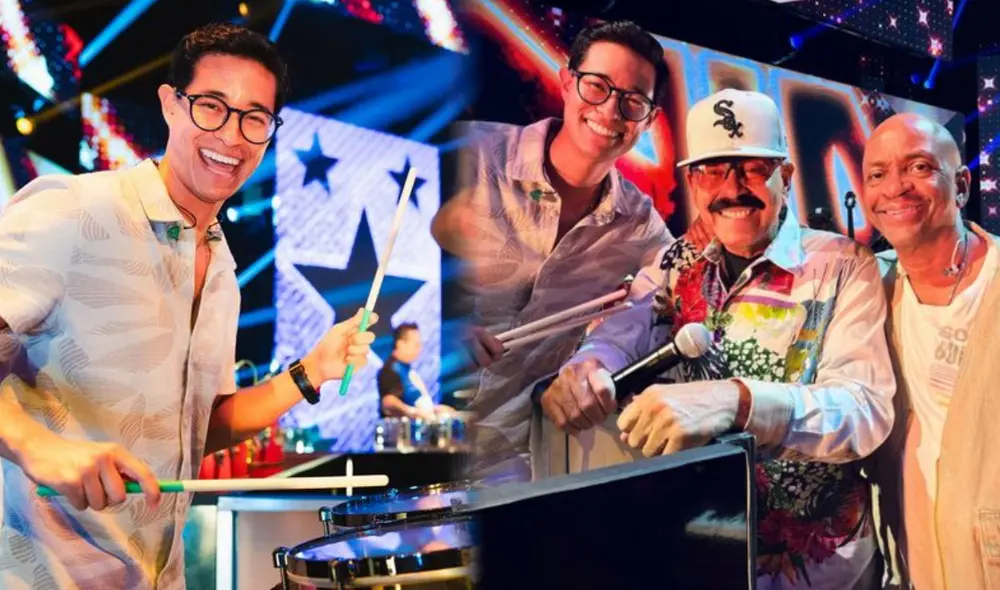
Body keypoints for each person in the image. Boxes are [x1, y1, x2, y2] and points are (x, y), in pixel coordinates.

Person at [0, 23, 376, 589]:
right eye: (211, 107)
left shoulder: (223, 269)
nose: (232, 135)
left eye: (255, 118)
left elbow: (201, 428)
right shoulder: (73, 212)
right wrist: (37, 446)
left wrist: (311, 371)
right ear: (171, 106)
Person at [545, 88, 896, 588]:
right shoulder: (672, 265)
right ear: (691, 181)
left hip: (822, 572)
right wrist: (587, 366)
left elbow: (865, 412)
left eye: (752, 167)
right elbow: (617, 337)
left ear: (786, 176)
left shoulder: (842, 266)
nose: (731, 188)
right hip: (703, 557)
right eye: (711, 171)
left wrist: (736, 400)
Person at [430, 20, 672, 480]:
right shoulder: (472, 153)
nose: (611, 110)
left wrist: (599, 358)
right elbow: (376, 255)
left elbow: (674, 295)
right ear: (567, 82)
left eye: (633, 100)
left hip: (511, 459)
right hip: (410, 435)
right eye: (597, 86)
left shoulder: (639, 225)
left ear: (649, 117)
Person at [858, 113, 1000, 589]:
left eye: (918, 167)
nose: (896, 188)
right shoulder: (868, 289)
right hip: (916, 567)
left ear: (961, 185)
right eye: (878, 174)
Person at [378, 323, 453, 419]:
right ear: (401, 344)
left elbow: (415, 403)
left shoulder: (408, 371)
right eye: (416, 345)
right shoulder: (391, 371)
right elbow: (388, 402)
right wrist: (413, 412)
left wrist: (434, 409)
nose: (420, 349)